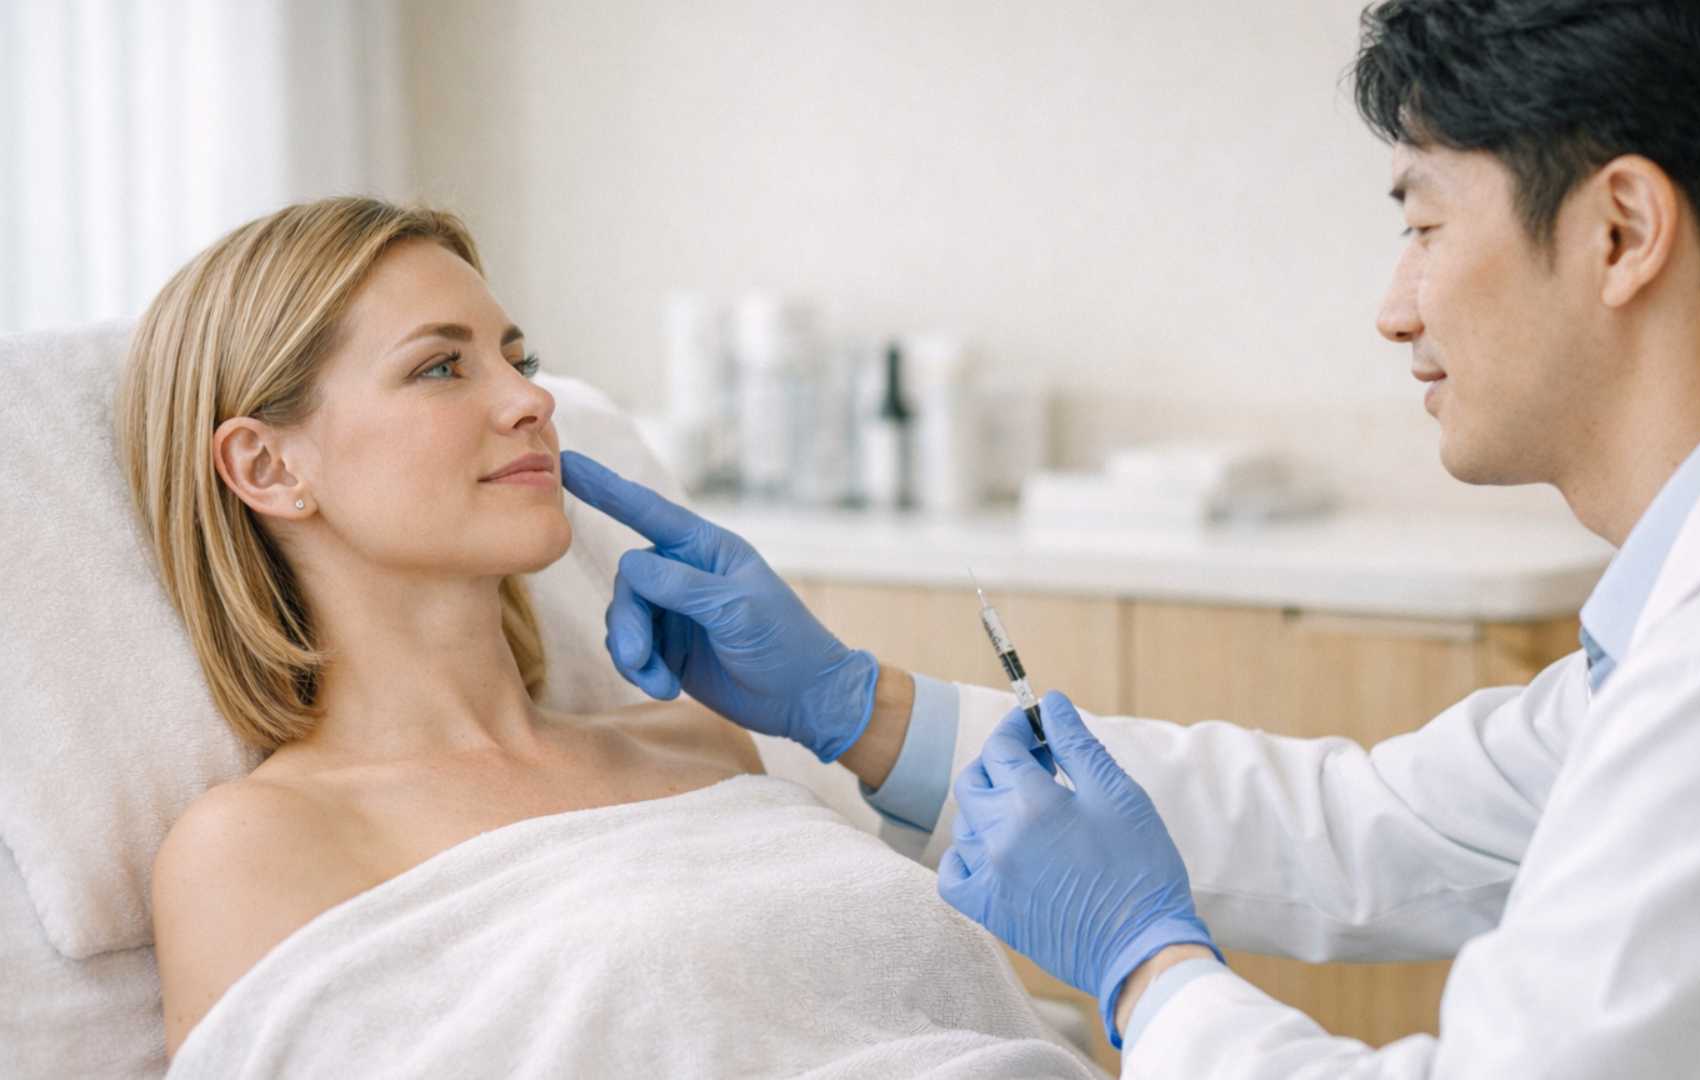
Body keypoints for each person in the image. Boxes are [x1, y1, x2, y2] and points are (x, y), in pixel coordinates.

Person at [562, 0, 1700, 1074]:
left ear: (1622, 228)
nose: (1395, 310)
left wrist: (1145, 970)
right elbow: (1374, 827)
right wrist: (861, 710)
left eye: (1425, 222)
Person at [124, 197, 1104, 1078]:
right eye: (439, 366)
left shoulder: (694, 743)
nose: (529, 401)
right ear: (264, 465)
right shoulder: (256, 847)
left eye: (520, 359)